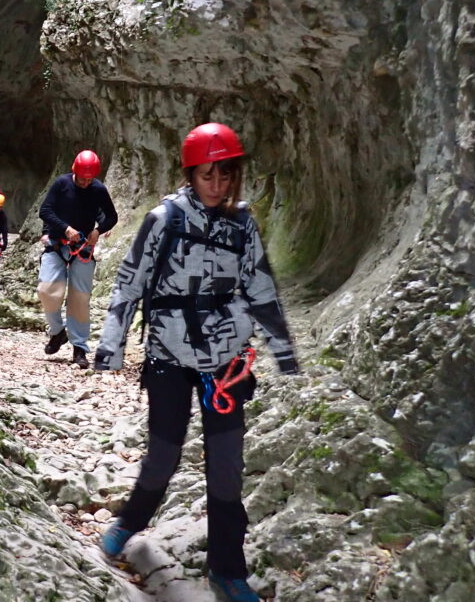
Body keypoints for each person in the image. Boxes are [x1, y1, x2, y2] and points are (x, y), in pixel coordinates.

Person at [93, 123, 299, 602]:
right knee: (164, 454)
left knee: (227, 464)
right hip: (169, 353)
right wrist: (111, 348)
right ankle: (129, 523)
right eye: (208, 175)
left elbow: (260, 287)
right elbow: (130, 282)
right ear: (190, 174)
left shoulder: (242, 224)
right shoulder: (164, 220)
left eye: (226, 175)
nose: (217, 185)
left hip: (225, 357)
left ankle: (227, 569)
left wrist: (283, 352)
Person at [37, 149, 118, 368]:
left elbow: (112, 216)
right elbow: (45, 211)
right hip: (57, 243)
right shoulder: (61, 184)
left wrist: (98, 231)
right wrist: (65, 229)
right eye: (82, 178)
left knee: (80, 298)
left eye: (89, 179)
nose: (85, 182)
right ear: (75, 171)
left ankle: (79, 348)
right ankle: (57, 332)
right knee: (46, 290)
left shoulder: (98, 189)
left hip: (82, 248)